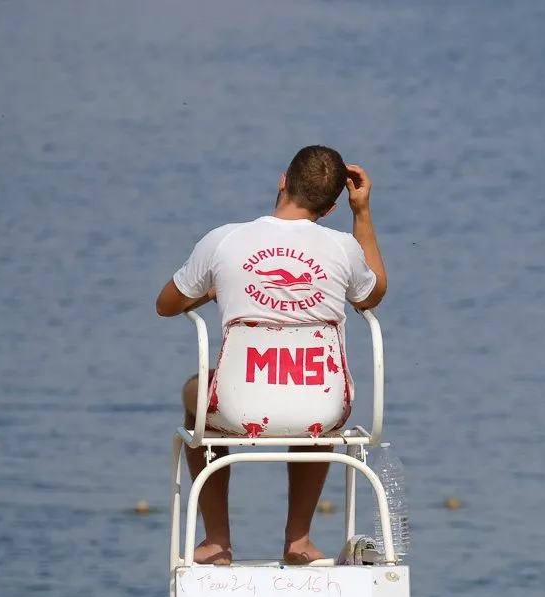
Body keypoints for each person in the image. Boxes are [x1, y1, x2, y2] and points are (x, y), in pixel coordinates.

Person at [155, 145, 388, 567]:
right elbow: (372, 294)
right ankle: (299, 540)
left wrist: (211, 292)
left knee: (195, 393)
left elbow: (167, 304)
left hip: (237, 406)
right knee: (315, 398)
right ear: (331, 208)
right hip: (323, 407)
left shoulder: (224, 239)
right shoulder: (342, 247)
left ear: (283, 181)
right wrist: (363, 213)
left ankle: (217, 540)